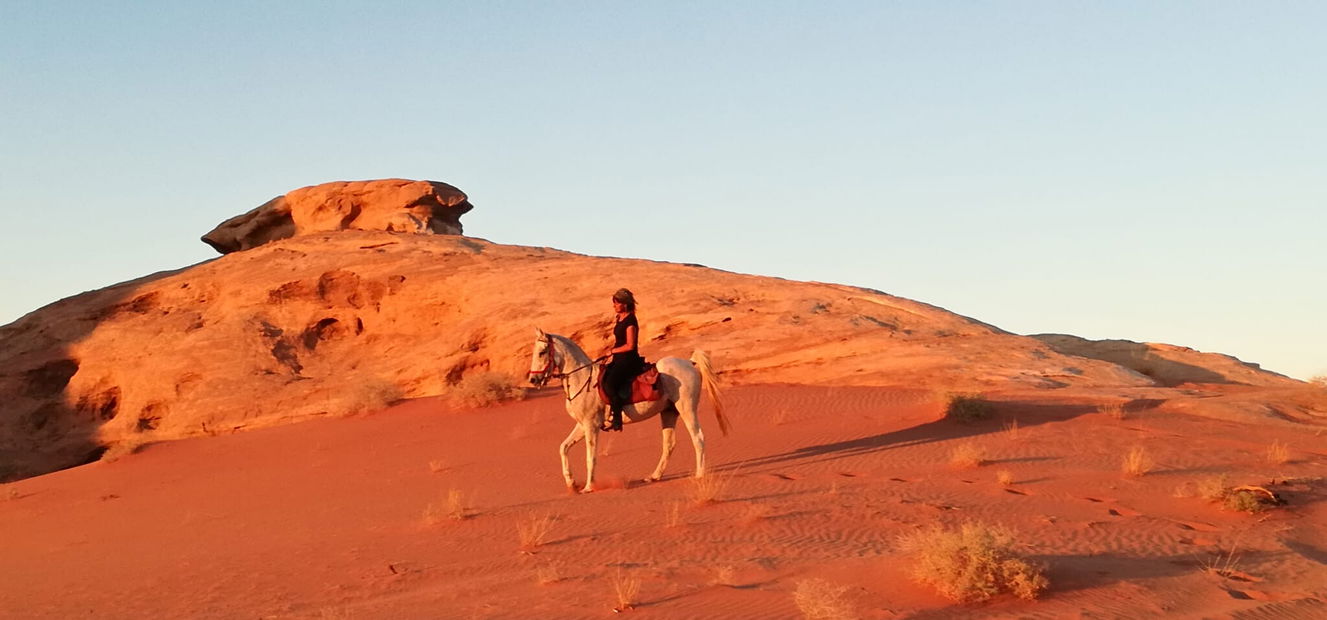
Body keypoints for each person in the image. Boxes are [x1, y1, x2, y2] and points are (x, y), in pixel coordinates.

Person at [600, 288, 643, 432]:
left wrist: (612, 351)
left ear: (625, 304)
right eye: (614, 303)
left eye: (616, 303)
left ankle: (617, 419)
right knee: (602, 378)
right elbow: (619, 341)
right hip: (618, 359)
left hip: (628, 361)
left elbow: (630, 345)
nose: (614, 305)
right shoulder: (620, 318)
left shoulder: (630, 321)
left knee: (610, 384)